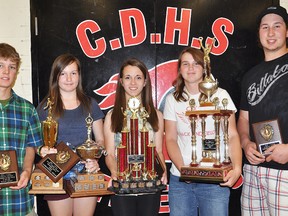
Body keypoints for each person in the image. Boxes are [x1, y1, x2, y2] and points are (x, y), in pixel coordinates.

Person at [163, 47, 242, 216]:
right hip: (180, 180)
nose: (191, 68)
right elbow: (170, 138)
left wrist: (237, 168)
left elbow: (233, 135)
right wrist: (184, 169)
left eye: (196, 64)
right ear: (179, 69)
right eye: (185, 63)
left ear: (205, 67)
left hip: (214, 181)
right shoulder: (172, 100)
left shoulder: (221, 96)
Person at [37, 53, 104, 216]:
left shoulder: (91, 105)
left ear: (79, 76)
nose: (68, 78)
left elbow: (101, 139)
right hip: (56, 172)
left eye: (73, 73)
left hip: (85, 172)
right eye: (63, 73)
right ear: (56, 76)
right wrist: (42, 151)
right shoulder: (45, 108)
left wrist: (95, 158)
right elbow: (36, 143)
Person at [237, 5, 288, 215]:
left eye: (277, 26)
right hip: (253, 170)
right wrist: (245, 142)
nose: (270, 32)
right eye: (265, 27)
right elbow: (243, 118)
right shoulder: (250, 76)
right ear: (259, 34)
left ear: (287, 31)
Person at [104, 58, 167, 216]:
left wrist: (163, 171)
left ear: (145, 81)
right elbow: (110, 153)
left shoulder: (156, 115)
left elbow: (158, 151)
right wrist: (116, 174)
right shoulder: (112, 116)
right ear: (121, 81)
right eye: (128, 77)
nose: (133, 82)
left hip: (150, 185)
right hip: (123, 186)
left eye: (138, 77)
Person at [0, 43, 43, 215]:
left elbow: (31, 146)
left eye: (11, 67)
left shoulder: (27, 109)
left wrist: (26, 170)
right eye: (1, 66)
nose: (6, 72)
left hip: (18, 202)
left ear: (16, 73)